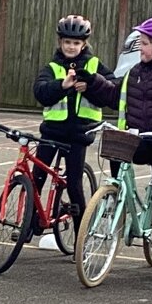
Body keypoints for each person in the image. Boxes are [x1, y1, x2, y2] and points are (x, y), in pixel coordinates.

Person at [80, 17, 152, 278]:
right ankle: (116, 195)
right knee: (116, 150)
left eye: (144, 43)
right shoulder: (136, 73)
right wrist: (92, 81)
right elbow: (114, 96)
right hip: (142, 138)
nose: (140, 48)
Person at [29, 14, 105, 229]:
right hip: (52, 131)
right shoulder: (52, 67)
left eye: (76, 43)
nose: (71, 47)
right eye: (67, 42)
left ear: (84, 44)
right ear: (60, 42)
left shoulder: (93, 64)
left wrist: (90, 86)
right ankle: (30, 222)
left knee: (74, 184)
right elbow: (41, 92)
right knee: (38, 177)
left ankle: (82, 234)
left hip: (79, 133)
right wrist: (62, 86)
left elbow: (112, 89)